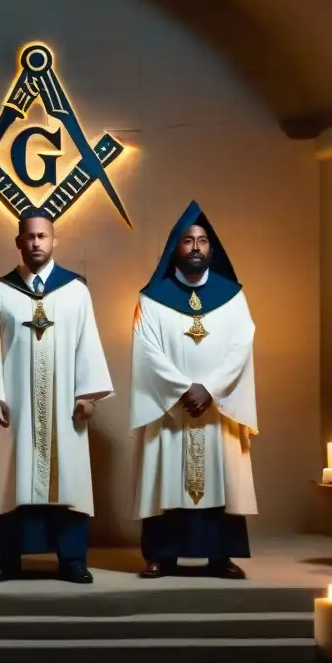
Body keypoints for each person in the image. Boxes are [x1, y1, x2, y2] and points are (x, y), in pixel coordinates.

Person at [0, 207, 113, 584]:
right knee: (13, 478)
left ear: (53, 239)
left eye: (42, 236)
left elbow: (87, 344)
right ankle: (8, 561)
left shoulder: (76, 292)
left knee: (69, 481)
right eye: (28, 236)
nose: (35, 242)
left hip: (65, 408)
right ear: (18, 242)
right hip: (15, 409)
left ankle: (73, 560)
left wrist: (88, 393)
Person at [130, 201, 259, 579]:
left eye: (203, 240)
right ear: (176, 248)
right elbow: (145, 348)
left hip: (215, 407)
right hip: (171, 407)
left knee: (222, 479)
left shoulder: (232, 296)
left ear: (211, 250)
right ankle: (160, 555)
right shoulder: (151, 299)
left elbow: (242, 343)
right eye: (188, 241)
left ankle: (221, 556)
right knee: (165, 479)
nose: (196, 247)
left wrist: (212, 388)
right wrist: (184, 389)